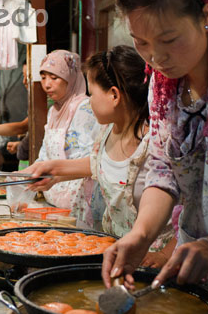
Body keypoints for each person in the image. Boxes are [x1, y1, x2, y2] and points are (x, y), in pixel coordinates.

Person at [99, 0, 208, 305]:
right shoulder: (163, 89)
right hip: (197, 276)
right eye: (141, 42)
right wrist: (141, 234)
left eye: (169, 39)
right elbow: (163, 173)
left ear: (205, 16)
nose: (156, 57)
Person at [26, 46, 176, 267]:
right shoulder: (107, 131)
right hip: (113, 253)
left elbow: (190, 212)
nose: (89, 100)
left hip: (152, 259)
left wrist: (164, 256)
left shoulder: (158, 144)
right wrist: (52, 169)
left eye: (92, 93)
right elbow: (98, 164)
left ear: (114, 95)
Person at [22, 50, 101, 224]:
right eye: (43, 77)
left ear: (70, 78)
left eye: (54, 78)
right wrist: (19, 177)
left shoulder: (85, 108)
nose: (47, 85)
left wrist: (54, 173)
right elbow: (44, 155)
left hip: (79, 203)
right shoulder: (53, 111)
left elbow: (92, 161)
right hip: (54, 202)